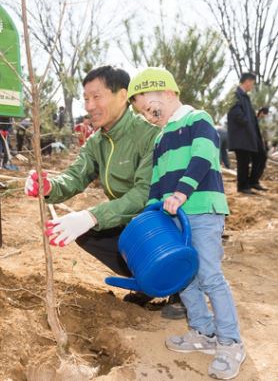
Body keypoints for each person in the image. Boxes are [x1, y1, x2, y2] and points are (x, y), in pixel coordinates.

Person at [129, 67, 244, 380]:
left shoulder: (198, 119)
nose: (150, 116)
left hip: (202, 210)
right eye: (144, 113)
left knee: (208, 274)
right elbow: (156, 180)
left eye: (151, 108)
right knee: (186, 277)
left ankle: (230, 341)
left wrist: (181, 192)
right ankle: (202, 332)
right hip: (173, 216)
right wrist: (152, 210)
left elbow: (204, 156)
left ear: (167, 92)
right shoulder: (161, 137)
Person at [25, 66, 164, 309]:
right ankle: (145, 281)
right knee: (89, 233)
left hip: (160, 221)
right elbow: (74, 177)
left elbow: (144, 194)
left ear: (122, 96)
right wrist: (47, 186)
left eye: (97, 97)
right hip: (130, 222)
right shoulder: (96, 142)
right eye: (86, 99)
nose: (89, 106)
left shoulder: (149, 134)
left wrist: (91, 215)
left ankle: (177, 288)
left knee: (96, 222)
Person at [227, 73, 266, 193]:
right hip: (241, 135)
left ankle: (253, 181)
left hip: (250, 135)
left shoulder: (245, 96)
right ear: (248, 81)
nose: (252, 86)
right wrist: (246, 122)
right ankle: (243, 186)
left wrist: (254, 119)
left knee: (261, 156)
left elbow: (247, 115)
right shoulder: (235, 94)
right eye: (253, 83)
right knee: (243, 162)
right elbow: (235, 113)